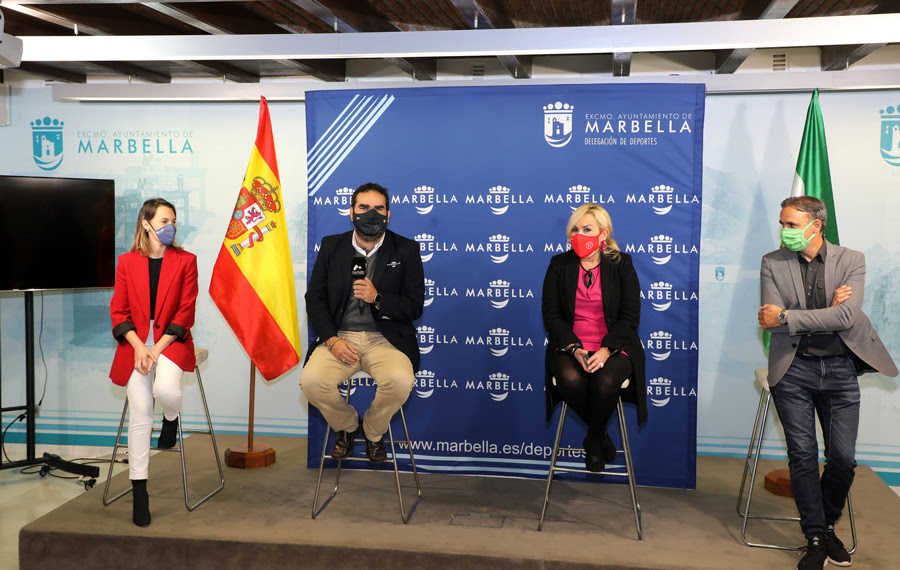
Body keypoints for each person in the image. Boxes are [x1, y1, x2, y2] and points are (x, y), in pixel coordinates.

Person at [759, 196, 897, 570]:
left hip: (839, 369)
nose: (784, 231)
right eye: (782, 224)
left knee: (842, 460)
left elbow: (847, 317)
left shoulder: (852, 260)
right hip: (794, 369)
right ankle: (817, 536)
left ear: (815, 225)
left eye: (791, 225)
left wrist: (791, 314)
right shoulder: (772, 262)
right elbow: (770, 321)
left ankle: (827, 521)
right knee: (802, 456)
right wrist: (827, 312)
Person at [300, 182, 424, 463]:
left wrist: (377, 297)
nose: (371, 214)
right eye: (364, 207)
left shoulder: (406, 249)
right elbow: (315, 299)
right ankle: (347, 425)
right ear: (352, 212)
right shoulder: (332, 246)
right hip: (339, 337)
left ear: (388, 214)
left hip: (386, 340)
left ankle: (372, 431)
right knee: (312, 382)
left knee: (401, 381)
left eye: (378, 208)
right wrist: (332, 340)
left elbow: (414, 306)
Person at [109, 198, 198, 527]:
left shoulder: (187, 260)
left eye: (173, 220)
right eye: (163, 220)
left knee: (165, 391)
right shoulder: (126, 262)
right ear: (146, 224)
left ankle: (171, 418)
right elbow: (118, 312)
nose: (170, 226)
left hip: (170, 343)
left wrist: (155, 349)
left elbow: (185, 312)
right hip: (134, 345)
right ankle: (139, 492)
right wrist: (138, 347)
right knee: (140, 412)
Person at [541, 203, 647, 472]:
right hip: (570, 345)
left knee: (606, 380)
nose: (579, 235)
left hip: (614, 346)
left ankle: (591, 439)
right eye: (574, 229)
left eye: (587, 229)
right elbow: (552, 316)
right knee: (570, 378)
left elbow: (630, 316)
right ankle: (600, 436)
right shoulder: (559, 265)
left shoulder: (621, 264)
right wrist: (575, 349)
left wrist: (606, 350)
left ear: (603, 234)